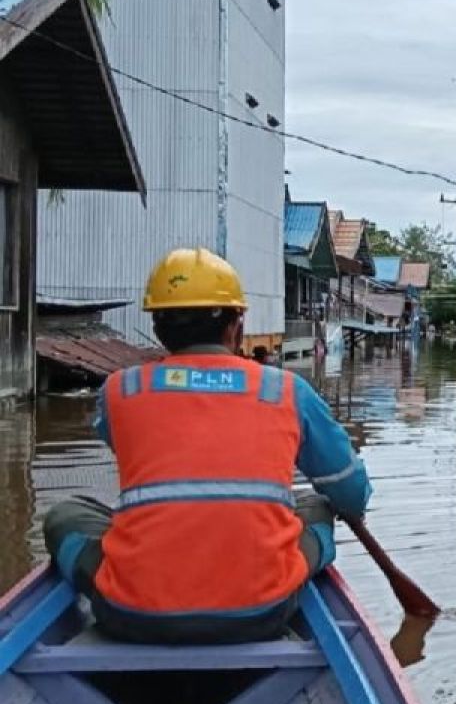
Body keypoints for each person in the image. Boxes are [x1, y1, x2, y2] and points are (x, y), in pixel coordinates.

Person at [43, 248, 372, 645]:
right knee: (317, 508)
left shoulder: (121, 390)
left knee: (65, 515)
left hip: (132, 613)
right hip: (262, 612)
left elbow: (133, 453)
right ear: (237, 325)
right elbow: (351, 493)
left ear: (159, 328)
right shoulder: (285, 390)